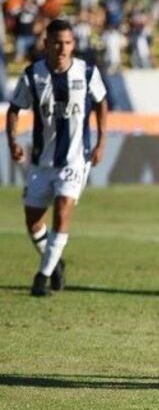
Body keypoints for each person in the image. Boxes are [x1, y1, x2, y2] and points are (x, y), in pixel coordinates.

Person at [5, 18, 109, 296]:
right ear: (46, 44)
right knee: (33, 221)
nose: (63, 48)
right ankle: (54, 261)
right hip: (42, 161)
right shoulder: (33, 75)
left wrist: (100, 142)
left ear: (73, 44)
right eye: (57, 43)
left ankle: (42, 276)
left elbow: (101, 104)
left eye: (67, 43)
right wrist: (12, 141)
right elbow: (14, 109)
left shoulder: (87, 73)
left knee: (63, 212)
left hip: (75, 160)